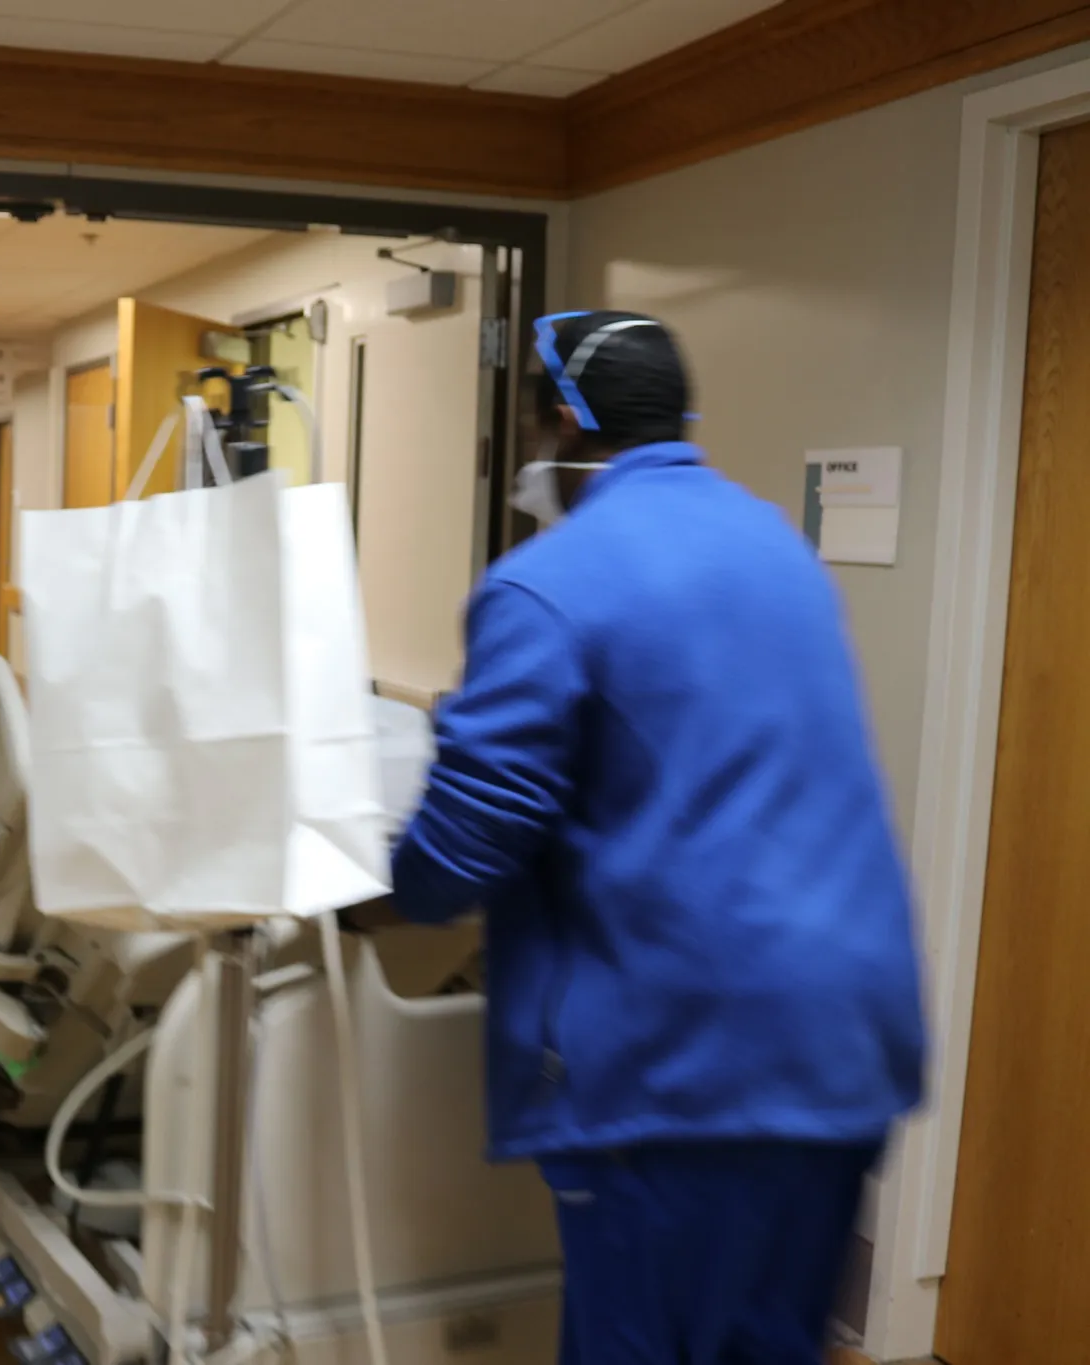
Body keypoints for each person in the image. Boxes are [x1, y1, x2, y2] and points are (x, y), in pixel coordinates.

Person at [358, 310, 926, 1364]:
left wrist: (374, 891)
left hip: (683, 1058)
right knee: (763, 1345)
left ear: (559, 425)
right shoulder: (772, 545)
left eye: (529, 435)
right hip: (842, 1040)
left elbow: (469, 843)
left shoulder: (545, 582)